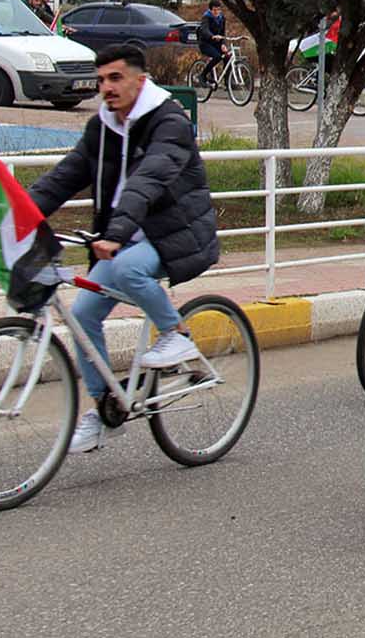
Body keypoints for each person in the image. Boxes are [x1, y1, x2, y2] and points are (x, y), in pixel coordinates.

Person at [27, 44, 220, 453]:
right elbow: (68, 174)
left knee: (132, 269)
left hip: (171, 230)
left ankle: (176, 333)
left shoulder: (170, 121)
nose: (106, 88)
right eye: (100, 81)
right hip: (122, 234)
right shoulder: (102, 126)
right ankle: (107, 406)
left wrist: (116, 232)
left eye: (115, 78)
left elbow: (149, 178)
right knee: (81, 315)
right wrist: (22, 212)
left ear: (140, 80)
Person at [197, 0, 228, 88]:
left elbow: (222, 33)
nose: (217, 12)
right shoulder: (206, 17)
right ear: (210, 10)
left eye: (218, 10)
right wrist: (212, 36)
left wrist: (223, 44)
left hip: (216, 43)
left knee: (227, 56)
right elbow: (204, 30)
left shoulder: (222, 18)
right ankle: (202, 75)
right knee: (217, 57)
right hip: (205, 43)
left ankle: (227, 81)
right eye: (215, 10)